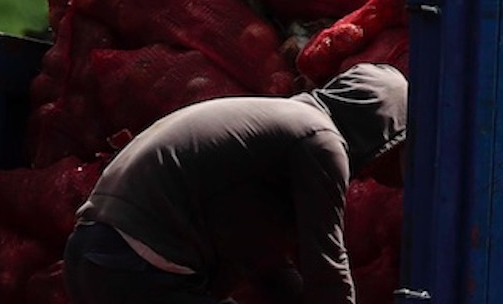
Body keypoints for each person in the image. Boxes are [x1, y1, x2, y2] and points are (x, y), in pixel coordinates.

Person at [63, 62, 408, 304]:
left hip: (93, 256)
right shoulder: (318, 139)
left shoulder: (283, 128)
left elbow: (266, 266)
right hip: (137, 264)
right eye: (398, 152)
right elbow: (326, 264)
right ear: (380, 134)